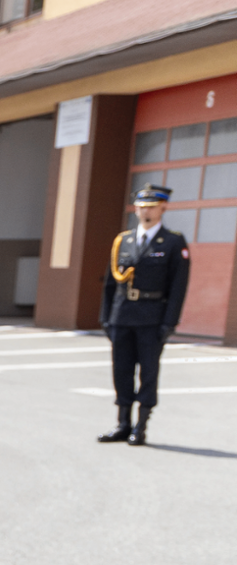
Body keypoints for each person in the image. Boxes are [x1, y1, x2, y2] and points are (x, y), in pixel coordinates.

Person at [98, 184, 190, 446]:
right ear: (135, 208)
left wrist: (169, 322)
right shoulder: (123, 241)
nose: (145, 211)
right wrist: (106, 317)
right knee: (122, 371)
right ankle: (123, 424)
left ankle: (141, 426)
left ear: (163, 207)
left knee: (148, 373)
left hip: (152, 318)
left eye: (151, 206)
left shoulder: (173, 241)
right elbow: (110, 284)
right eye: (141, 206)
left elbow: (178, 286)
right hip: (122, 315)